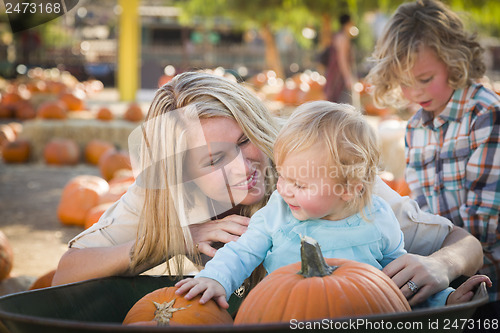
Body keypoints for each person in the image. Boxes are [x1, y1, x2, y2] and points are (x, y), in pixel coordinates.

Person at [52, 71, 482, 308]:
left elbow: (461, 242)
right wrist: (170, 240)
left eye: (244, 142)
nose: (243, 167)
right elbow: (65, 273)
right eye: (214, 160)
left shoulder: (313, 159)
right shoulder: (164, 191)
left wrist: (443, 265)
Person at [175, 101, 491, 308]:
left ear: (349, 189)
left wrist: (446, 300)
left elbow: (399, 278)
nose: (283, 189)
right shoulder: (279, 212)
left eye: (299, 184)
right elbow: (242, 252)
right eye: (282, 176)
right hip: (285, 316)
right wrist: (215, 278)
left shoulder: (377, 216)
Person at [366, 0, 500, 305]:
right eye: (404, 83)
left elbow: (481, 233)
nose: (415, 93)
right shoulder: (415, 128)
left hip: (486, 285)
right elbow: (425, 219)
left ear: (455, 61)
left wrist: (438, 266)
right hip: (439, 278)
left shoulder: (486, 116)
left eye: (425, 80)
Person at [324, 14, 356, 104]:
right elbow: (342, 59)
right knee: (342, 101)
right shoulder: (343, 38)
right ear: (348, 23)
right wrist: (347, 77)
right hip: (339, 75)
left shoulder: (337, 36)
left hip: (334, 72)